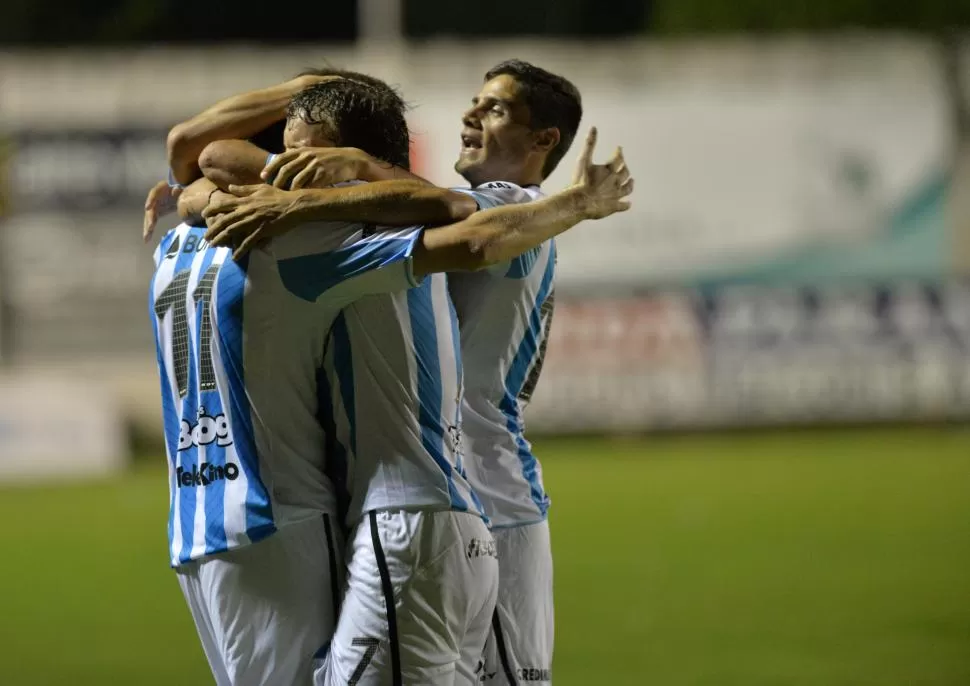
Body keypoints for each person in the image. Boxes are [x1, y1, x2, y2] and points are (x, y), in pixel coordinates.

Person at [154, 74, 632, 684]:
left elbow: (473, 231)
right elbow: (207, 158)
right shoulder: (398, 216)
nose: (472, 114)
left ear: (544, 138)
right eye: (474, 101)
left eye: (496, 109)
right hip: (446, 502)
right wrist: (203, 193)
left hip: (469, 498)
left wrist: (576, 204)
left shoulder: (511, 208)